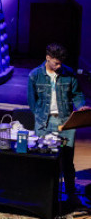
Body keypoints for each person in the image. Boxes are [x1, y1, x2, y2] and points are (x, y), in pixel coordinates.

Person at [28, 43, 90, 202]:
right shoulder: (34, 75)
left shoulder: (69, 74)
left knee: (67, 160)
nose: (59, 66)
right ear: (47, 58)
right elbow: (32, 102)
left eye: (61, 63)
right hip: (44, 123)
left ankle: (71, 194)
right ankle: (41, 193)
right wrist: (40, 118)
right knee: (44, 159)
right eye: (56, 62)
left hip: (66, 123)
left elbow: (77, 94)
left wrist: (81, 105)